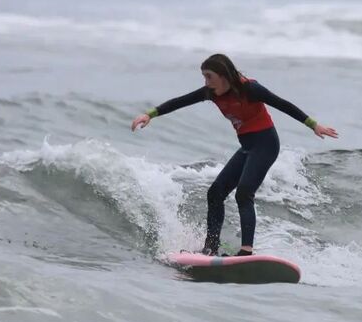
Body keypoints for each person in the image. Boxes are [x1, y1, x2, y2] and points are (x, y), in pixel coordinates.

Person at [131, 54, 338, 256]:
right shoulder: (212, 92)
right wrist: (149, 114)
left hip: (265, 145)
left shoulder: (250, 89)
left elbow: (283, 104)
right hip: (247, 147)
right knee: (215, 193)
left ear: (223, 76)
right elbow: (181, 101)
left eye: (209, 76)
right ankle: (211, 247)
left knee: (244, 193)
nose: (206, 82)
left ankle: (246, 251)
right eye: (204, 77)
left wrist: (313, 125)